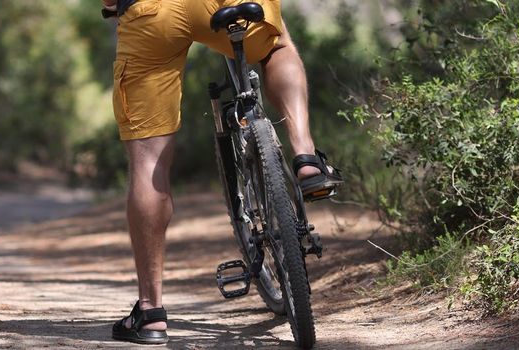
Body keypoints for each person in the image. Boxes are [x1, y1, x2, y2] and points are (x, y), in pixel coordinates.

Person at [101, 0, 343, 345]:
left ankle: (151, 313)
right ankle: (306, 158)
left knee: (148, 161)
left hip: (152, 13)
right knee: (277, 46)